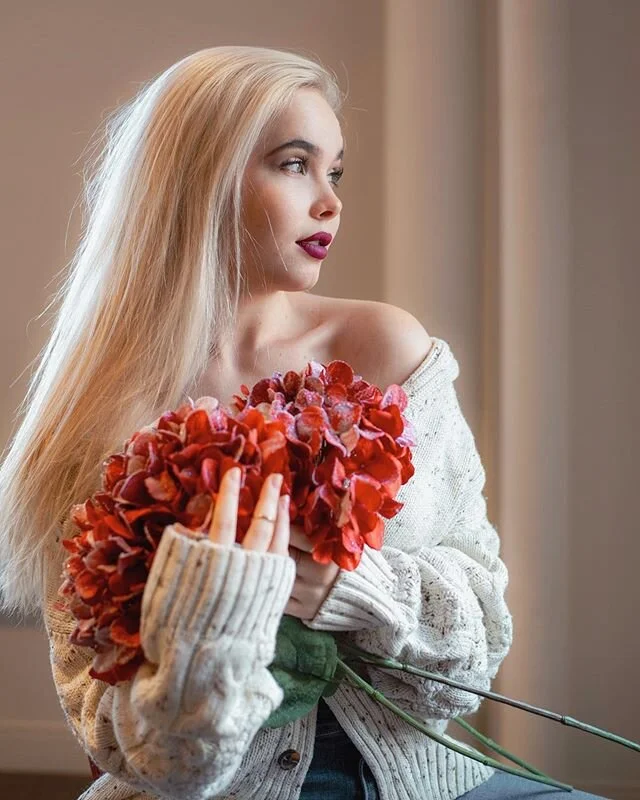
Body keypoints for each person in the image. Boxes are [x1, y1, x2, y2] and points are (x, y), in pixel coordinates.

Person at [0, 45, 606, 800]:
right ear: (201, 179)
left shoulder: (385, 350)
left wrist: (348, 585)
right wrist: (224, 608)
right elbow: (136, 747)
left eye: (335, 171)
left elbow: (476, 644)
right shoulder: (96, 425)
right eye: (294, 164)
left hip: (435, 782)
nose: (331, 201)